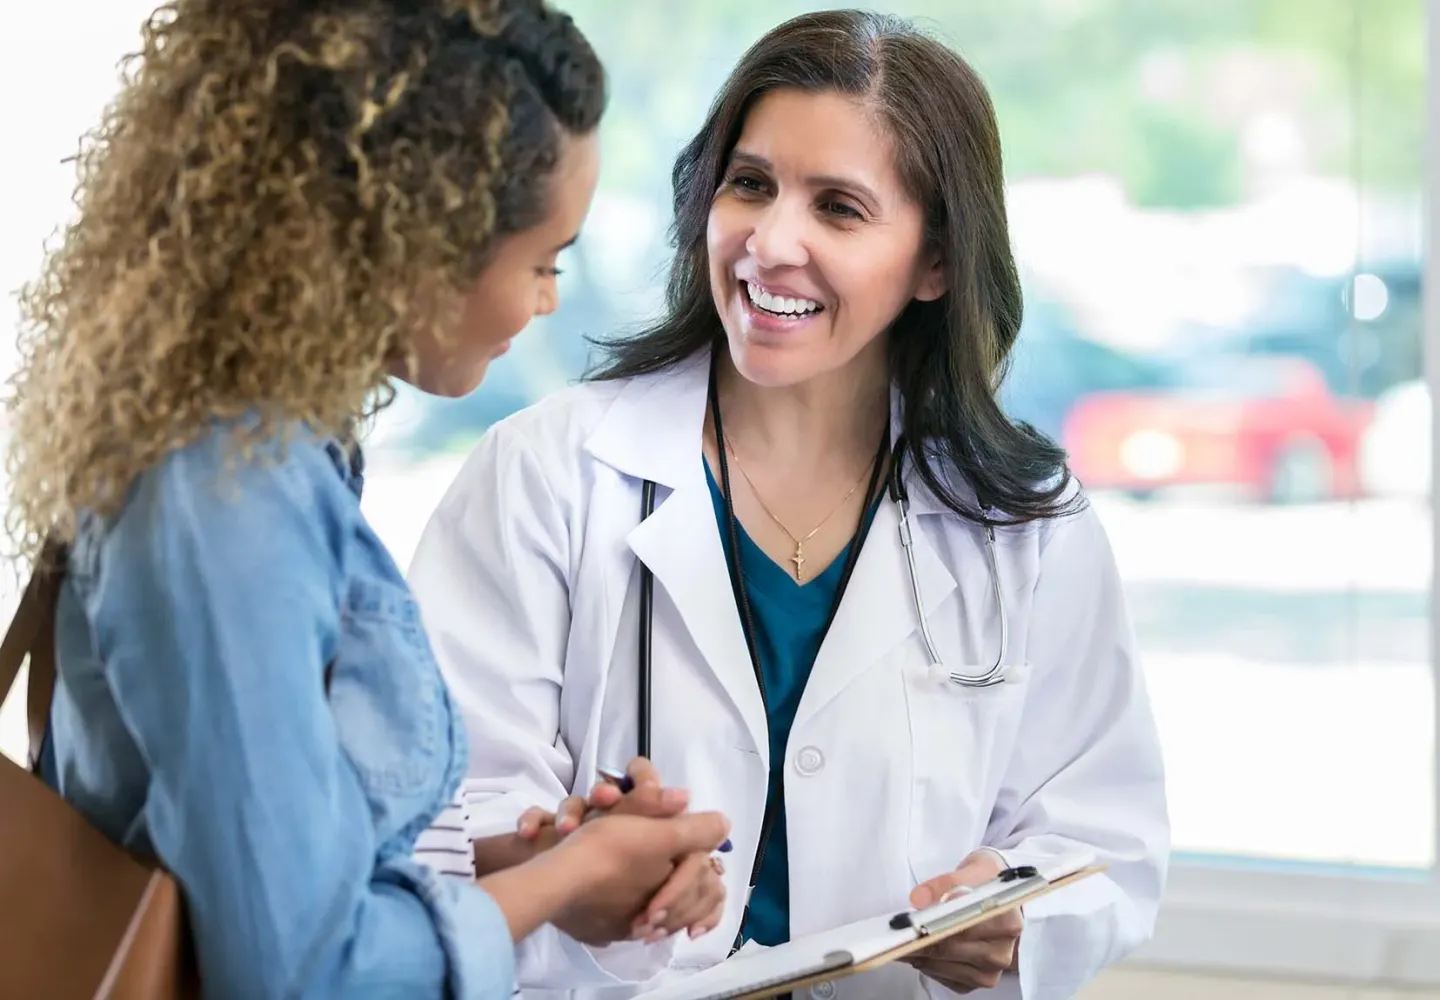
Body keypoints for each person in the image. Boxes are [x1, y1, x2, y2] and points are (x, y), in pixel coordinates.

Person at [409, 8, 1169, 999]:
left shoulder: (1023, 520)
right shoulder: (546, 473)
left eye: (839, 208)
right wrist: (565, 854)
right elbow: (436, 806)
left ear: (935, 261)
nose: (771, 242)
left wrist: (1011, 912)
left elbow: (1104, 834)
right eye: (751, 184)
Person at [3, 1, 731, 997]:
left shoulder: (276, 449)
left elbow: (269, 873)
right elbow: (303, 971)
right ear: (416, 245)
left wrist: (522, 878)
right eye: (541, 262)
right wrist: (569, 875)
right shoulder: (225, 498)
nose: (548, 300)